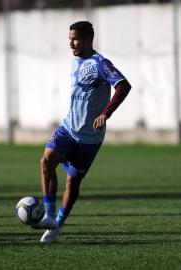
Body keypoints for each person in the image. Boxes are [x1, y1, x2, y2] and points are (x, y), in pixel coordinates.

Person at [32, 21, 131, 243]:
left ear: (87, 39)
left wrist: (106, 113)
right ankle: (48, 215)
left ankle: (57, 224)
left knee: (72, 182)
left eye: (74, 39)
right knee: (46, 161)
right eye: (70, 38)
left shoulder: (100, 64)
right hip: (68, 128)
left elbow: (123, 85)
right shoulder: (75, 62)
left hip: (90, 138)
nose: (70, 43)